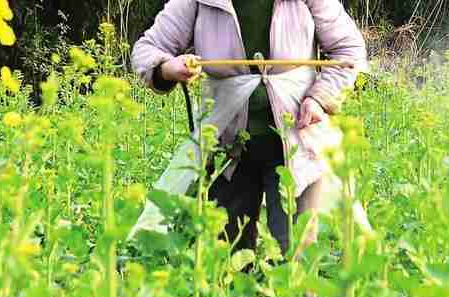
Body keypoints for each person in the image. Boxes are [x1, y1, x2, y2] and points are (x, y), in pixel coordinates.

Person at [131, 0, 366, 259]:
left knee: (294, 256)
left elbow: (348, 50)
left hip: (297, 142)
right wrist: (167, 68)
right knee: (226, 255)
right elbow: (147, 50)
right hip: (227, 147)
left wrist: (319, 98)